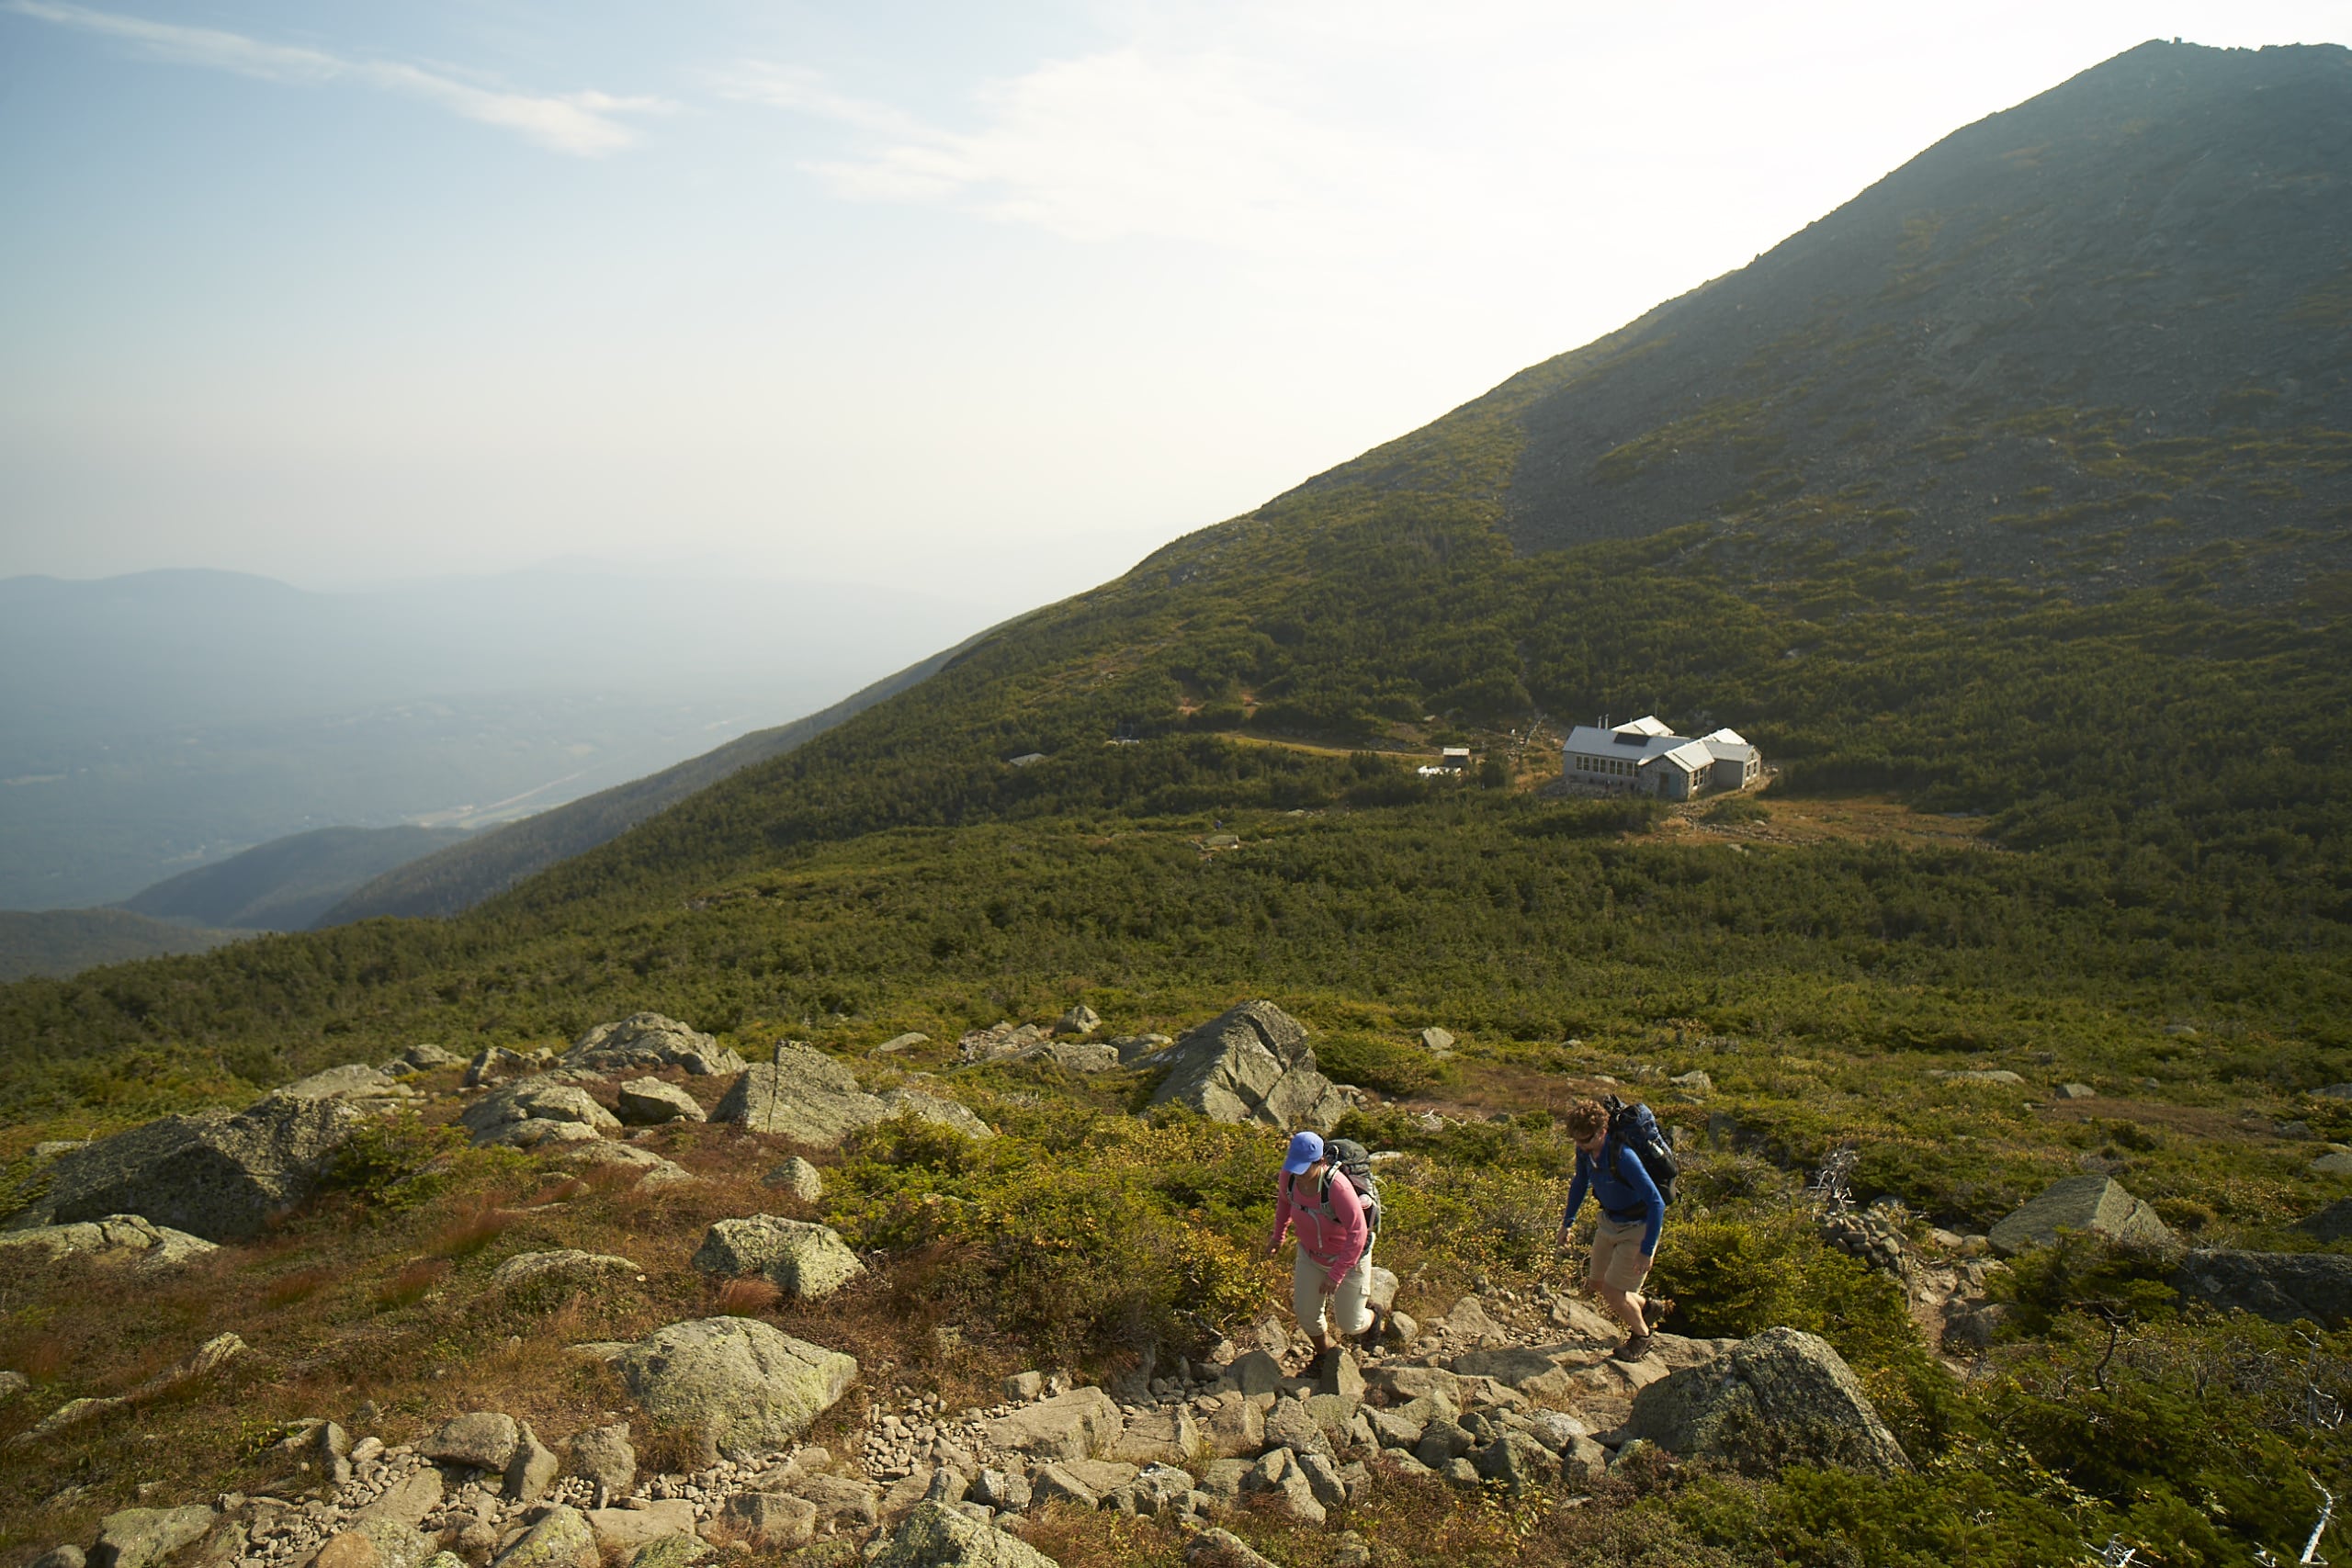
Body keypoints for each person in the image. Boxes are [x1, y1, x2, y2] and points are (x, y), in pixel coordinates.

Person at [1556, 1099, 1674, 1359]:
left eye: (1585, 1139)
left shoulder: (1624, 1156)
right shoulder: (1586, 1151)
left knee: (1613, 1292)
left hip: (1637, 1228)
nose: (1580, 1146)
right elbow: (1580, 1183)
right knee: (1597, 1283)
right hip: (1609, 1222)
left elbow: (1656, 1203)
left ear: (1602, 1131)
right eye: (1576, 1140)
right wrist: (1568, 1222)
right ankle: (1648, 1307)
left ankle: (1642, 1337)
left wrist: (1647, 1250)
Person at [1264, 1130, 1378, 1359]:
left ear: (1321, 1161)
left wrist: (1336, 1274)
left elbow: (1358, 1233)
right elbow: (1284, 1204)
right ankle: (1324, 1356)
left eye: (1305, 1167)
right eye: (1295, 1165)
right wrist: (1278, 1236)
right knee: (1306, 1315)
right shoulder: (1289, 1176)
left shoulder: (1338, 1188)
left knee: (1351, 1324)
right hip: (1310, 1254)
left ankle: (1375, 1317)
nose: (1299, 1173)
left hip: (1348, 1258)